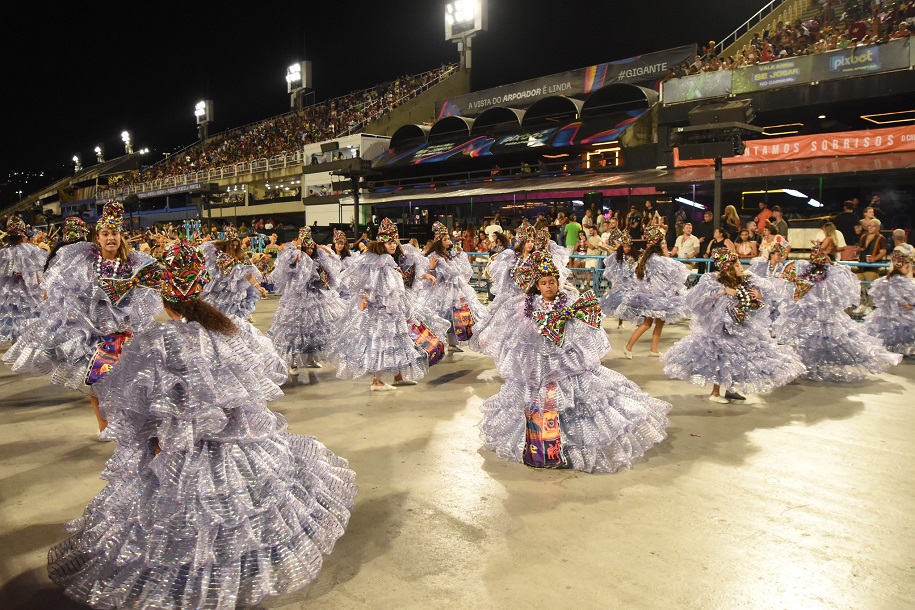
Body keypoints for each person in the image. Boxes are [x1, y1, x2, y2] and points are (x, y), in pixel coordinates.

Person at [47, 240, 357, 609]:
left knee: (178, 520)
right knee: (237, 511)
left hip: (178, 447)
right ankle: (237, 576)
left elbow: (139, 406)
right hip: (235, 444)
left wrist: (154, 441)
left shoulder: (156, 343)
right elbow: (257, 387)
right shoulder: (231, 331)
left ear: (164, 301)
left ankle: (191, 584)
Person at [478, 249, 671, 472]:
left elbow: (587, 326)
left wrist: (567, 320)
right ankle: (542, 445)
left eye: (552, 282)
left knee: (575, 403)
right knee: (540, 402)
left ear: (558, 282)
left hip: (567, 361)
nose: (549, 286)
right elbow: (520, 335)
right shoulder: (528, 306)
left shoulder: (570, 300)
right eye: (543, 283)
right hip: (540, 364)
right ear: (537, 285)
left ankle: (569, 447)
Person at [3, 201, 161, 439]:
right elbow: (69, 291)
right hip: (92, 330)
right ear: (97, 237)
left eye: (114, 234)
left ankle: (126, 420)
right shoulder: (83, 262)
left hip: (124, 328)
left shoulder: (134, 262)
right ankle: (104, 426)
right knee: (97, 380)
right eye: (105, 234)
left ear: (121, 236)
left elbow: (148, 290)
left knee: (127, 378)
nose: (110, 238)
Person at [662, 248, 805, 403]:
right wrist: (723, 292)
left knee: (735, 358)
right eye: (736, 265)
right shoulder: (714, 281)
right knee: (720, 357)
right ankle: (715, 393)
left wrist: (759, 295)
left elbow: (770, 292)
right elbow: (696, 300)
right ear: (728, 268)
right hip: (719, 328)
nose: (741, 267)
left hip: (741, 326)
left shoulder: (747, 279)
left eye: (739, 265)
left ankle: (730, 389)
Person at [332, 220, 444, 390]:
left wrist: (425, 276)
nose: (393, 245)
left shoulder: (388, 260)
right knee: (381, 342)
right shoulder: (375, 261)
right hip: (380, 311)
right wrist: (364, 297)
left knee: (396, 341)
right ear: (381, 242)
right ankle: (376, 381)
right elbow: (363, 280)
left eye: (395, 241)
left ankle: (397, 376)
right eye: (390, 242)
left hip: (394, 309)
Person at [773, 245, 902, 382]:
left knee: (818, 342)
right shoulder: (823, 274)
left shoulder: (818, 274)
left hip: (817, 316)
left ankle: (809, 366)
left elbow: (788, 279)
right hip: (817, 316)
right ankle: (809, 366)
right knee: (823, 343)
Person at [267, 226, 347, 376]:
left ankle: (311, 359)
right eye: (307, 248)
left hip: (315, 296)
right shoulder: (296, 255)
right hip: (297, 298)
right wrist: (298, 246)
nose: (309, 250)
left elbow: (333, 256)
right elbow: (293, 259)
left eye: (311, 248)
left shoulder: (317, 257)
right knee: (295, 332)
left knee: (314, 330)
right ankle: (293, 363)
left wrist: (318, 246)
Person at [617, 226, 690, 358]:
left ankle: (654, 349)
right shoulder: (657, 259)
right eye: (663, 243)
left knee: (659, 322)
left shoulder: (650, 258)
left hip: (659, 294)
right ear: (659, 244)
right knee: (648, 323)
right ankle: (628, 347)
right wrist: (665, 250)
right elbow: (675, 268)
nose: (664, 245)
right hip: (657, 296)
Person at [422, 221, 488, 348]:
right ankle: (438, 342)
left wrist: (459, 254)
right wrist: (431, 269)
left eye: (448, 239)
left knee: (457, 314)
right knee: (443, 314)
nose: (448, 242)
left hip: (457, 287)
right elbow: (449, 272)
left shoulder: (451, 254)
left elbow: (464, 270)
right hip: (442, 290)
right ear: (439, 241)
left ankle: (454, 342)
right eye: (445, 239)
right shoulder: (435, 256)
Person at [199, 227, 266, 320]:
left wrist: (258, 287)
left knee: (233, 314)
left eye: (236, 245)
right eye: (233, 245)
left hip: (235, 290)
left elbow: (248, 274)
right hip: (220, 288)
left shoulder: (241, 256)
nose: (235, 247)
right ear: (228, 243)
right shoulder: (218, 254)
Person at [0, 216, 48, 344]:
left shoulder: (4, 253)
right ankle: (26, 341)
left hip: (10, 291)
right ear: (24, 235)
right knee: (29, 314)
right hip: (28, 290)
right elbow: (37, 272)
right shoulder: (30, 250)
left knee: (13, 315)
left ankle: (17, 341)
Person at [863, 251, 915, 356]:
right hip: (897, 310)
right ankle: (898, 347)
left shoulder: (889, 279)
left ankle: (893, 347)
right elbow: (895, 295)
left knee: (891, 329)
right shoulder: (898, 280)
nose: (908, 269)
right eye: (906, 267)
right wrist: (906, 304)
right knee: (900, 328)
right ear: (899, 267)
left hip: (890, 310)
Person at [600, 232, 636, 330]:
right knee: (620, 302)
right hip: (621, 283)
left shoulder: (634, 257)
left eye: (628, 247)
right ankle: (620, 322)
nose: (627, 249)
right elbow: (611, 264)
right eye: (625, 247)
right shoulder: (618, 256)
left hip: (632, 282)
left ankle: (637, 322)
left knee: (634, 302)